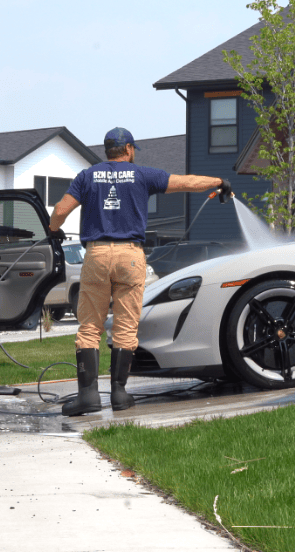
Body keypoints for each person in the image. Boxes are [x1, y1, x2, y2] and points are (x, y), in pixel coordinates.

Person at [48, 127, 232, 417]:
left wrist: (53, 229)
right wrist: (218, 181)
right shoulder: (142, 175)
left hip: (96, 254)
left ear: (107, 151)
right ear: (129, 149)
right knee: (125, 327)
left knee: (90, 327)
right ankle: (120, 395)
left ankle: (88, 397)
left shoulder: (88, 175)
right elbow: (186, 182)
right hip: (130, 256)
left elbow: (60, 210)